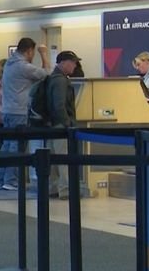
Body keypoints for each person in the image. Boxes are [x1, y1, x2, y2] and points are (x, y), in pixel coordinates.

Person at [0, 38, 49, 191]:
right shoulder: (23, 67)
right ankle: (10, 180)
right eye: (33, 53)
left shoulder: (9, 64)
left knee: (6, 145)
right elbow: (46, 74)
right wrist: (44, 54)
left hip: (7, 111)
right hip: (19, 112)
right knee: (17, 146)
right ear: (29, 51)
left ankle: (0, 179)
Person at [46, 50, 81, 199]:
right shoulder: (61, 80)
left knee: (52, 159)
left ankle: (53, 188)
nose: (75, 65)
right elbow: (59, 105)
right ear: (64, 63)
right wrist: (67, 124)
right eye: (73, 62)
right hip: (60, 126)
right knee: (64, 159)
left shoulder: (51, 78)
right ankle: (66, 190)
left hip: (49, 125)